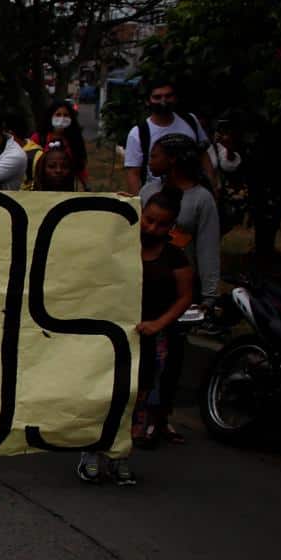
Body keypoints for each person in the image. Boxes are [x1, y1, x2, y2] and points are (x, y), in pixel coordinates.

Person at [80, 190, 193, 484]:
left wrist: (159, 323)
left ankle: (121, 455)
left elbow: (184, 297)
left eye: (161, 224)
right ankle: (92, 452)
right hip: (112, 336)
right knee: (105, 395)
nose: (152, 228)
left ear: (171, 227)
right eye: (148, 220)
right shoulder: (121, 246)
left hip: (149, 340)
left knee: (137, 399)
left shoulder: (174, 257)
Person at [140, 135, 221, 309]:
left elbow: (208, 248)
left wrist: (209, 295)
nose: (149, 162)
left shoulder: (202, 199)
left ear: (172, 159)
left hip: (179, 287)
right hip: (144, 282)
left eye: (154, 156)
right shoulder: (147, 192)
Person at [122, 83, 209, 195]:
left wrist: (213, 189)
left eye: (168, 96)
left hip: (193, 192)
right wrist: (138, 206)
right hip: (158, 198)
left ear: (175, 98)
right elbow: (133, 174)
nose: (164, 101)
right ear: (148, 101)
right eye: (157, 97)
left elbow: (205, 157)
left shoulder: (190, 121)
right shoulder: (139, 133)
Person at [30, 100, 87, 187]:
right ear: (50, 117)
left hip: (67, 187)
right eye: (58, 115)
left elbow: (80, 167)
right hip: (41, 188)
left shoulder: (75, 140)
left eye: (66, 115)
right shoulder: (38, 138)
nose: (62, 118)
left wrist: (86, 186)